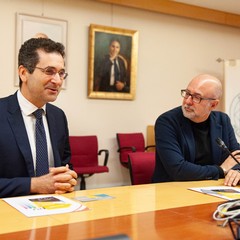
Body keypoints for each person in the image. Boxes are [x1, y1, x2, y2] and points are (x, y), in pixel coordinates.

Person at [0, 38, 77, 198]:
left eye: (61, 73)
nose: (57, 81)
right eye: (49, 71)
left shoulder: (58, 116)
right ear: (23, 73)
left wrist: (67, 178)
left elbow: (65, 164)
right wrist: (34, 185)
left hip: (54, 211)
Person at [152, 74, 240, 186]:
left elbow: (236, 155)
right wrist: (221, 170)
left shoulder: (222, 120)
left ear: (213, 105)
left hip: (213, 188)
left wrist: (236, 171)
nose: (188, 101)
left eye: (197, 97)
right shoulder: (167, 122)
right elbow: (178, 170)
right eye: (187, 93)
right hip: (173, 190)